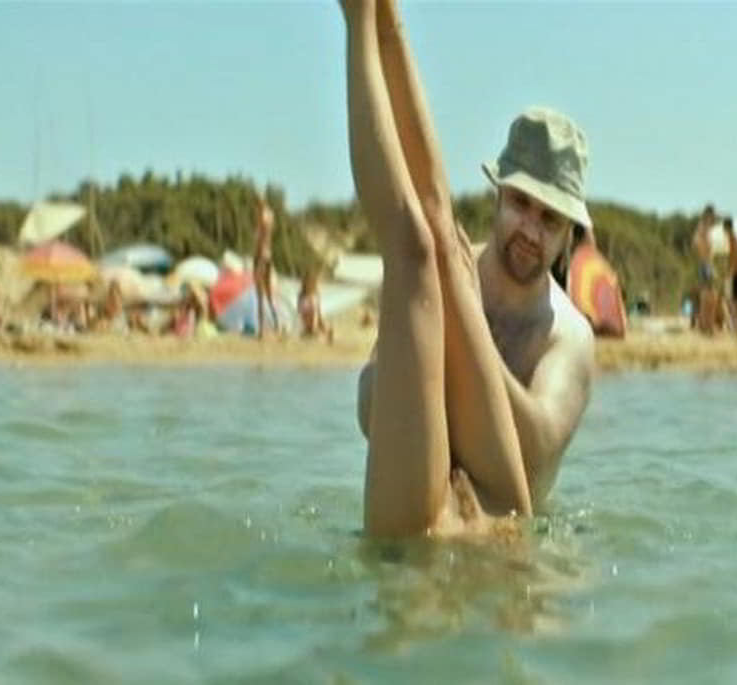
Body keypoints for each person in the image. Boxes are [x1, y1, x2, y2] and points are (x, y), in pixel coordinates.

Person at [341, 0, 596, 537]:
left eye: (550, 219)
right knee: (423, 235)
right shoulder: (456, 264)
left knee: (417, 246)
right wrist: (424, 349)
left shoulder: (569, 335)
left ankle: (360, 21)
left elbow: (535, 451)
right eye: (521, 204)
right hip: (425, 496)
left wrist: (461, 322)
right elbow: (369, 410)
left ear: (568, 234)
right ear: (497, 195)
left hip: (499, 524)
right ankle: (376, 16)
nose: (530, 229)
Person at [253, 197, 279, 339]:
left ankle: (262, 329)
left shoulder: (263, 218)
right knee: (268, 294)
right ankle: (276, 323)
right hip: (267, 255)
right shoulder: (269, 216)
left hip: (261, 256)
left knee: (260, 294)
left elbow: (261, 238)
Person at [691, 205, 718, 334]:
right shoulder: (703, 227)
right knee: (708, 295)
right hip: (706, 264)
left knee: (707, 294)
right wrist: (706, 256)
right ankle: (706, 325)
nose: (714, 218)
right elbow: (696, 243)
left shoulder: (704, 227)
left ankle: (705, 324)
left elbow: (696, 243)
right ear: (709, 215)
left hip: (706, 264)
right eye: (713, 215)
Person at [722, 216, 737, 337]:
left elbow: (733, 256)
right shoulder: (736, 238)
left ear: (727, 228)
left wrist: (728, 271)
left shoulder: (732, 239)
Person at [297, 269, 334, 343]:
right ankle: (320, 331)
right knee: (308, 332)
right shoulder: (301, 295)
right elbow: (299, 310)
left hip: (313, 317)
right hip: (306, 316)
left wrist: (315, 324)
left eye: (309, 282)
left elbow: (316, 311)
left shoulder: (314, 295)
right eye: (306, 281)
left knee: (319, 324)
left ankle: (324, 332)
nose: (307, 284)